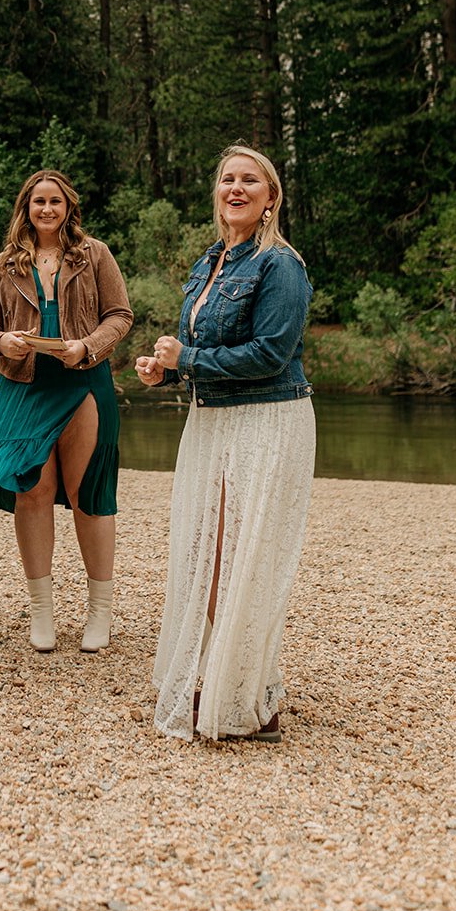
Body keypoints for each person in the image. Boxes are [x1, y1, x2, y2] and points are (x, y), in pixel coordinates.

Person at [136, 145, 315, 743]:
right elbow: (204, 347)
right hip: (211, 421)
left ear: (271, 197)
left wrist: (190, 358)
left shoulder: (280, 265)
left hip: (267, 421)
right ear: (216, 192)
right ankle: (235, 689)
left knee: (242, 558)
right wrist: (169, 369)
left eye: (249, 181)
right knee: (207, 556)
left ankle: (245, 694)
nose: (235, 189)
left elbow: (272, 354)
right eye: (227, 180)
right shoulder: (210, 260)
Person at [0, 171, 133, 654]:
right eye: (39, 202)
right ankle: (42, 612)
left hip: (83, 380)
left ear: (68, 207)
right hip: (23, 385)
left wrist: (89, 347)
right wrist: (1, 342)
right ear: (26, 208)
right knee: (32, 492)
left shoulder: (95, 254)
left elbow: (120, 314)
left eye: (55, 201)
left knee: (87, 493)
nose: (47, 209)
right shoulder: (4, 263)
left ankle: (100, 612)